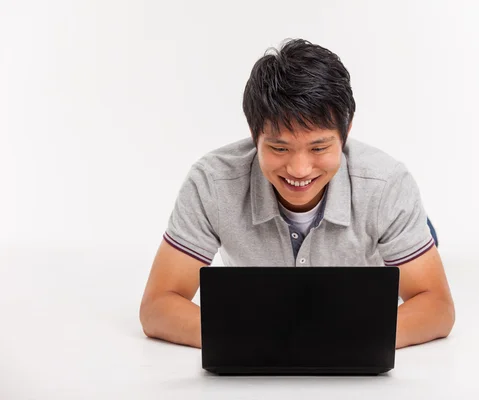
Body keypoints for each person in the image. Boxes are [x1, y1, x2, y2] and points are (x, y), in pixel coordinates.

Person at [139, 39, 455, 349]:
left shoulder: (388, 185)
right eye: (279, 147)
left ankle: (417, 234)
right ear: (253, 135)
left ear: (346, 132)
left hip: (376, 216)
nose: (299, 169)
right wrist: (253, 337)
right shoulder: (211, 183)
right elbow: (158, 306)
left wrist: (346, 339)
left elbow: (437, 306)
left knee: (402, 226)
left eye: (319, 147)